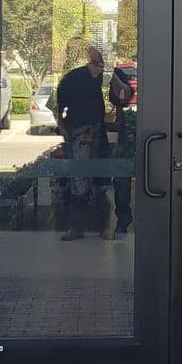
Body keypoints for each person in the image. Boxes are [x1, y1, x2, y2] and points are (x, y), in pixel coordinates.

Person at [54, 45, 107, 241]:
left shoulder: (87, 79)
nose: (101, 68)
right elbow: (60, 108)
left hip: (91, 132)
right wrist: (66, 129)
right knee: (80, 180)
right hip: (81, 133)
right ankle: (80, 227)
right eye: (97, 64)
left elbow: (60, 109)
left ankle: (98, 227)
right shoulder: (73, 80)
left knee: (93, 180)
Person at [108, 63, 137, 237]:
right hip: (121, 140)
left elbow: (123, 96)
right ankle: (120, 221)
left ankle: (124, 220)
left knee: (122, 182)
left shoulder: (115, 74)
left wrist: (112, 76)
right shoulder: (79, 76)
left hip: (122, 136)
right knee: (118, 183)